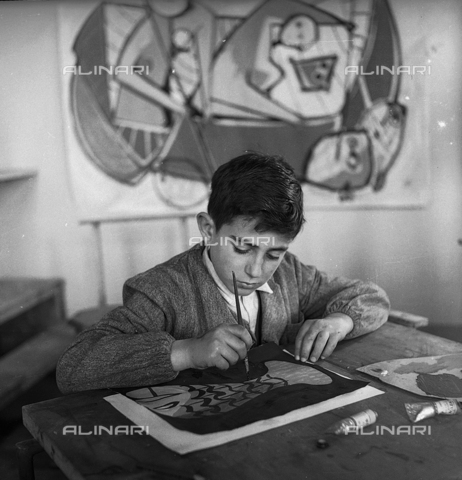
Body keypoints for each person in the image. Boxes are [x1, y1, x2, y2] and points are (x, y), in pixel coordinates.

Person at [56, 152, 389, 393]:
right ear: (208, 228)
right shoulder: (161, 291)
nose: (257, 270)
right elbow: (74, 367)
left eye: (273, 253)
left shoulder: (290, 274)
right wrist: (186, 352)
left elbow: (371, 298)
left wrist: (338, 322)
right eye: (242, 248)